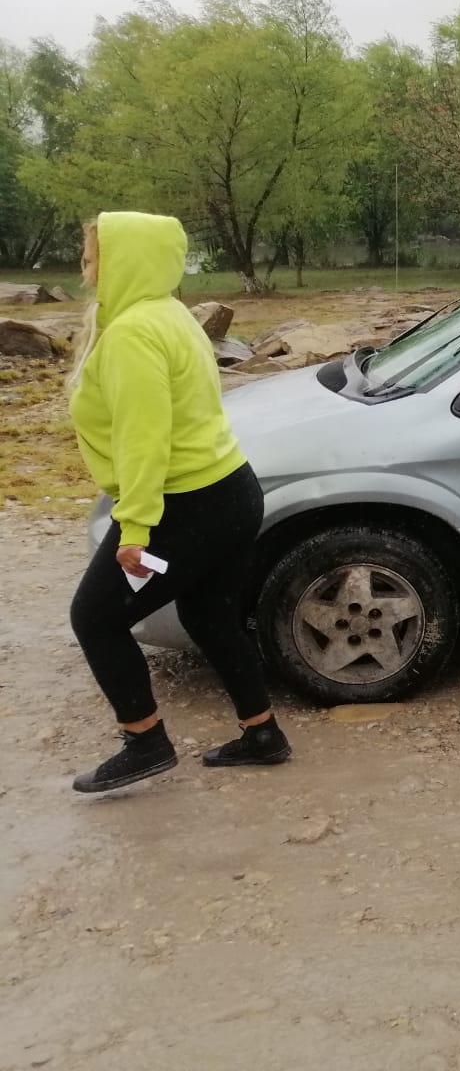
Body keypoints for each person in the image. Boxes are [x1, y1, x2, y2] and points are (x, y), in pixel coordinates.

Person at [66, 212, 291, 793]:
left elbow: (146, 438)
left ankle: (145, 743)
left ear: (124, 262)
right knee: (209, 615)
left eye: (92, 256)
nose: (85, 268)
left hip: (183, 503)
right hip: (230, 490)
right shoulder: (169, 313)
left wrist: (135, 528)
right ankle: (263, 734)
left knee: (94, 618)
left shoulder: (134, 333)